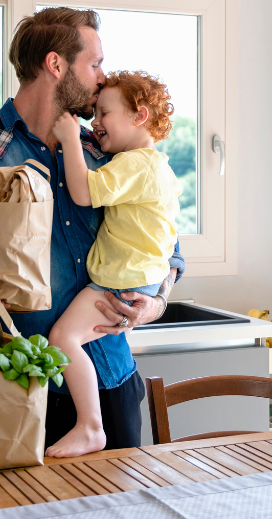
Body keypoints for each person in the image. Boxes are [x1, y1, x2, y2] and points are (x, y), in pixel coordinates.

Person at [0, 7, 185, 451]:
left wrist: (156, 303)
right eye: (94, 64)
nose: (102, 78)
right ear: (56, 65)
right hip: (18, 390)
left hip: (112, 381)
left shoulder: (105, 153)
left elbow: (168, 248)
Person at [46, 72, 181, 457]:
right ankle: (90, 425)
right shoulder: (156, 166)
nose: (94, 121)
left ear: (139, 117)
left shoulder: (136, 164)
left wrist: (71, 139)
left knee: (63, 339)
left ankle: (90, 426)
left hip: (120, 281)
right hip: (140, 279)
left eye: (104, 112)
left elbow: (84, 192)